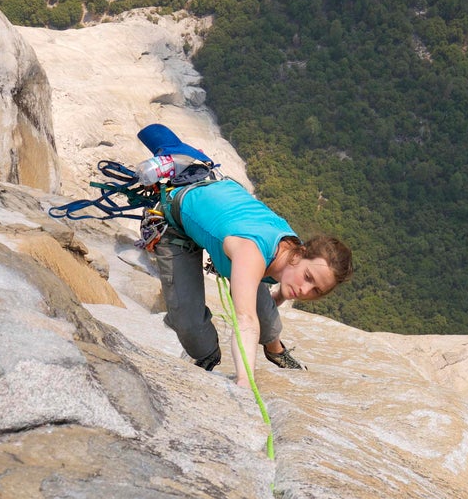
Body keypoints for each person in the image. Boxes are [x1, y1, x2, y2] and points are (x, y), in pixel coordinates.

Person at [140, 125, 353, 388]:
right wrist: (244, 381)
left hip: (225, 220)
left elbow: (285, 286)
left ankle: (274, 347)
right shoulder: (253, 251)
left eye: (316, 289)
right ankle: (207, 355)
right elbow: (245, 320)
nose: (305, 289)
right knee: (190, 326)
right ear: (300, 256)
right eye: (308, 277)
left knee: (264, 308)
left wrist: (281, 296)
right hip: (176, 222)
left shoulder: (291, 249)